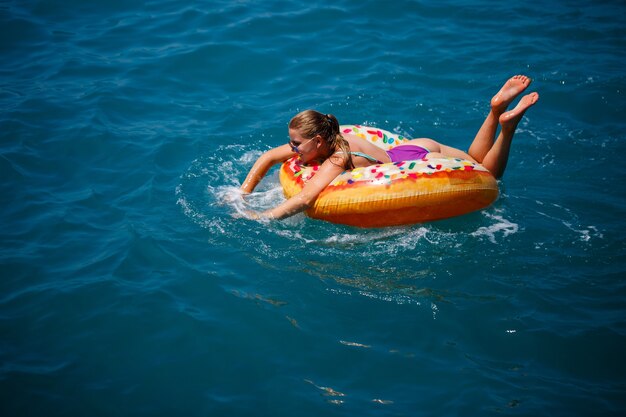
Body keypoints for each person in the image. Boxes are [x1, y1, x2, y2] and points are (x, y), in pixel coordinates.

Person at [240, 75, 539, 220]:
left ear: (317, 141)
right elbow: (268, 157)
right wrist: (243, 194)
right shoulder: (335, 135)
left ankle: (507, 128)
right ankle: (494, 110)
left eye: (296, 143)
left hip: (418, 162)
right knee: (475, 159)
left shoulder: (337, 158)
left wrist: (261, 217)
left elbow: (306, 198)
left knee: (488, 175)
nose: (291, 149)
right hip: (411, 148)